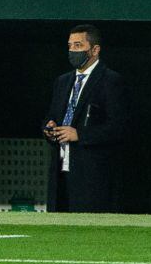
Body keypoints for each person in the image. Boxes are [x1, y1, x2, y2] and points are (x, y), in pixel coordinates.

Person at [42, 25, 128, 213]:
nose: (72, 50)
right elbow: (52, 115)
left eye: (78, 45)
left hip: (91, 173)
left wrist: (79, 134)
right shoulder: (63, 81)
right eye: (70, 45)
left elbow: (118, 128)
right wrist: (49, 127)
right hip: (61, 169)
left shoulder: (110, 81)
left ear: (95, 50)